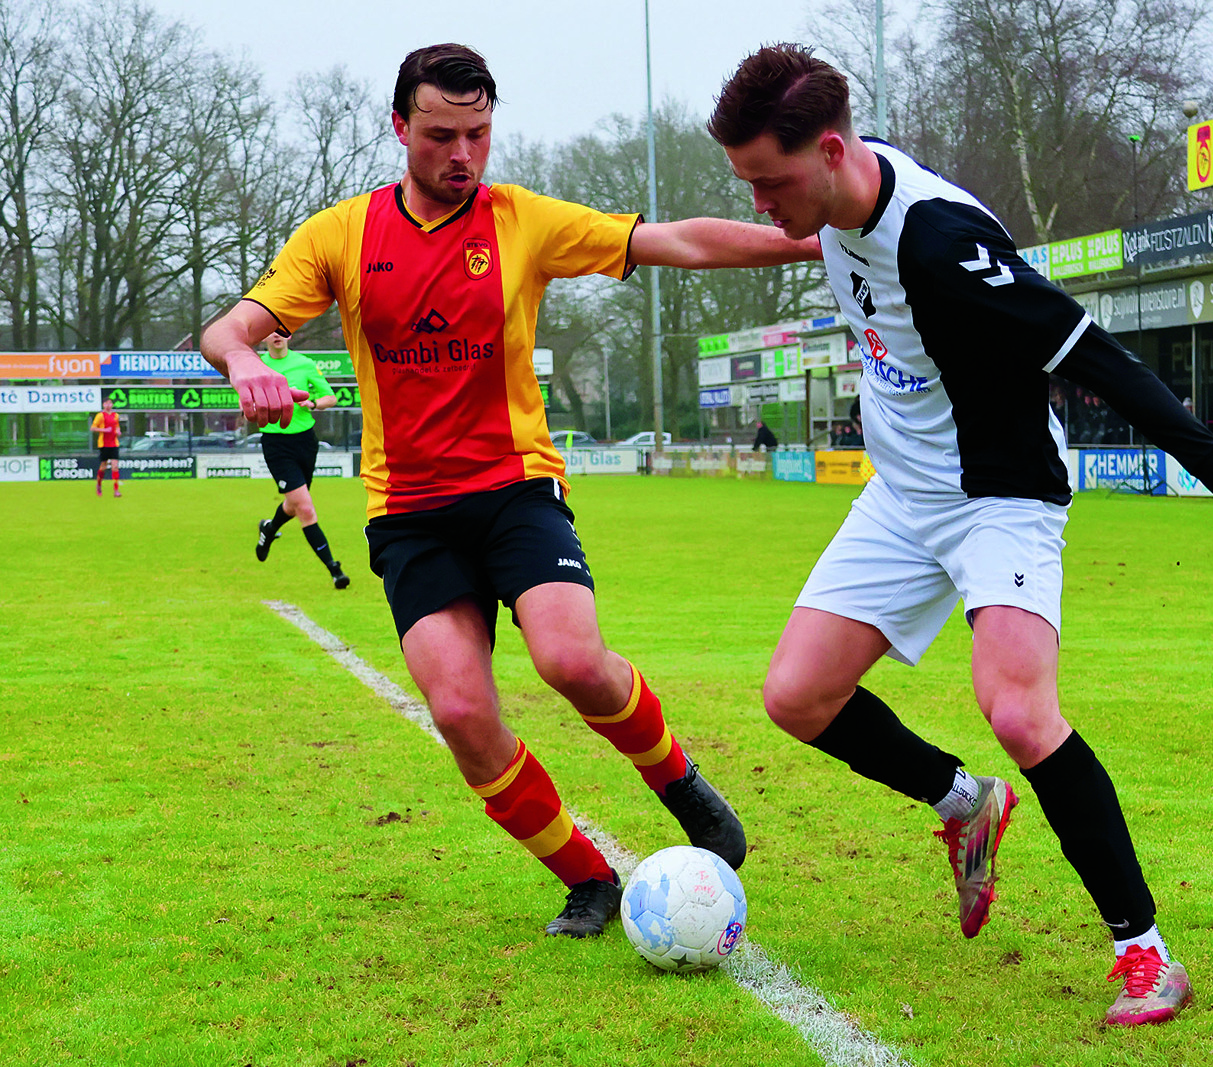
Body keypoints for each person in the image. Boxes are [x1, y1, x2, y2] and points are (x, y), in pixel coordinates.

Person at [710, 43, 1213, 1029]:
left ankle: (1147, 956)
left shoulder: (937, 238)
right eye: (747, 182)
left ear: (829, 150)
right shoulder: (832, 202)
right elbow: (751, 239)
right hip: (900, 498)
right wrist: (620, 240)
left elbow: (1093, 354)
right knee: (796, 695)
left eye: (769, 181)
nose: (761, 203)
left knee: (1016, 708)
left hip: (998, 489)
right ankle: (963, 801)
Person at [201, 43, 820, 939]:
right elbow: (232, 326)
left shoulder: (521, 220)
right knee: (459, 711)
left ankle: (683, 786)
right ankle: (588, 876)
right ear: (399, 128)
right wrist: (246, 357)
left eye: (479, 134)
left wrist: (815, 235)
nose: (463, 154)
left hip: (515, 488)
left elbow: (672, 239)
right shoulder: (340, 234)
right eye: (442, 134)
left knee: (571, 660)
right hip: (409, 511)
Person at [252, 331, 348, 589]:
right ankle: (334, 569)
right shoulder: (258, 366)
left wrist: (314, 404)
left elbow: (331, 397)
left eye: (282, 331)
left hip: (305, 442)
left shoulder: (305, 363)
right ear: (264, 338)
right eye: (271, 332)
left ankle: (269, 529)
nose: (276, 336)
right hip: (276, 444)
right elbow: (247, 405)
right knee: (305, 507)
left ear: (289, 335)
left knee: (295, 503)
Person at [90, 399, 122, 497]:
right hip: (104, 444)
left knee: (115, 466)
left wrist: (118, 431)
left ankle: (116, 490)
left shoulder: (116, 415)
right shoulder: (100, 415)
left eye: (110, 403)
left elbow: (117, 426)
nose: (108, 405)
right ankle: (99, 484)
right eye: (106, 403)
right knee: (103, 467)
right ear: (103, 404)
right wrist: (104, 430)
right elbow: (93, 428)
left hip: (114, 444)